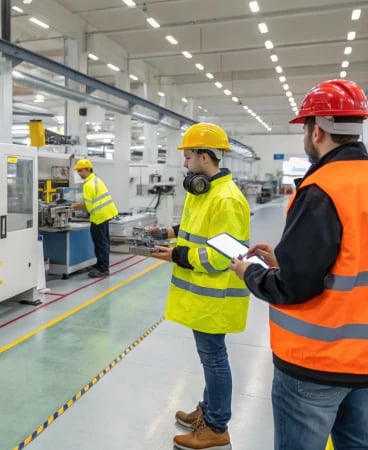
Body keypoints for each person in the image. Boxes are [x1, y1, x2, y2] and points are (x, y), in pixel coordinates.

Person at [228, 79, 368, 450]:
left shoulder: (323, 188)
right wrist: (283, 259)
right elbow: (358, 258)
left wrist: (249, 272)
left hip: (318, 360)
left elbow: (291, 288)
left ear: (317, 130)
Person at [148, 123, 251, 450]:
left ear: (205, 157)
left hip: (215, 296)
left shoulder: (227, 198)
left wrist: (178, 254)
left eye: (189, 156)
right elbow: (196, 227)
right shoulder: (205, 191)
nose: (185, 163)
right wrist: (166, 233)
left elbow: (223, 254)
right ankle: (208, 411)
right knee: (210, 357)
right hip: (202, 297)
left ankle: (217, 427)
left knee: (214, 358)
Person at [70, 158, 118, 278]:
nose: (79, 173)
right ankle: (100, 264)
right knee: (103, 242)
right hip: (105, 214)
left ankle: (103, 269)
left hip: (99, 216)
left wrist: (71, 208)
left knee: (100, 243)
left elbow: (86, 204)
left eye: (80, 171)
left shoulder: (88, 184)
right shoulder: (96, 180)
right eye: (78, 171)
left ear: (88, 169)